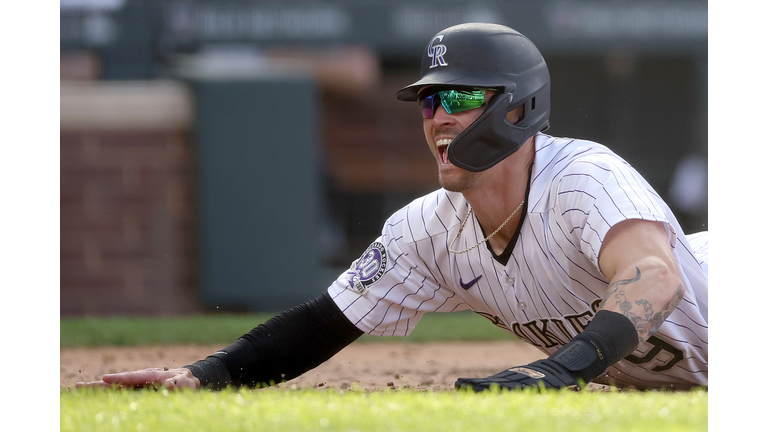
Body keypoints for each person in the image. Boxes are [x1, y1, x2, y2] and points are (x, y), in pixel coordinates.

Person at [77, 23, 708, 392]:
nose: (437, 118)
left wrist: (557, 372)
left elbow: (656, 276)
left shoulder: (584, 178)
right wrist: (201, 375)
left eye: (458, 96)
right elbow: (325, 322)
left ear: (518, 108)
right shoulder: (428, 229)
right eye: (428, 102)